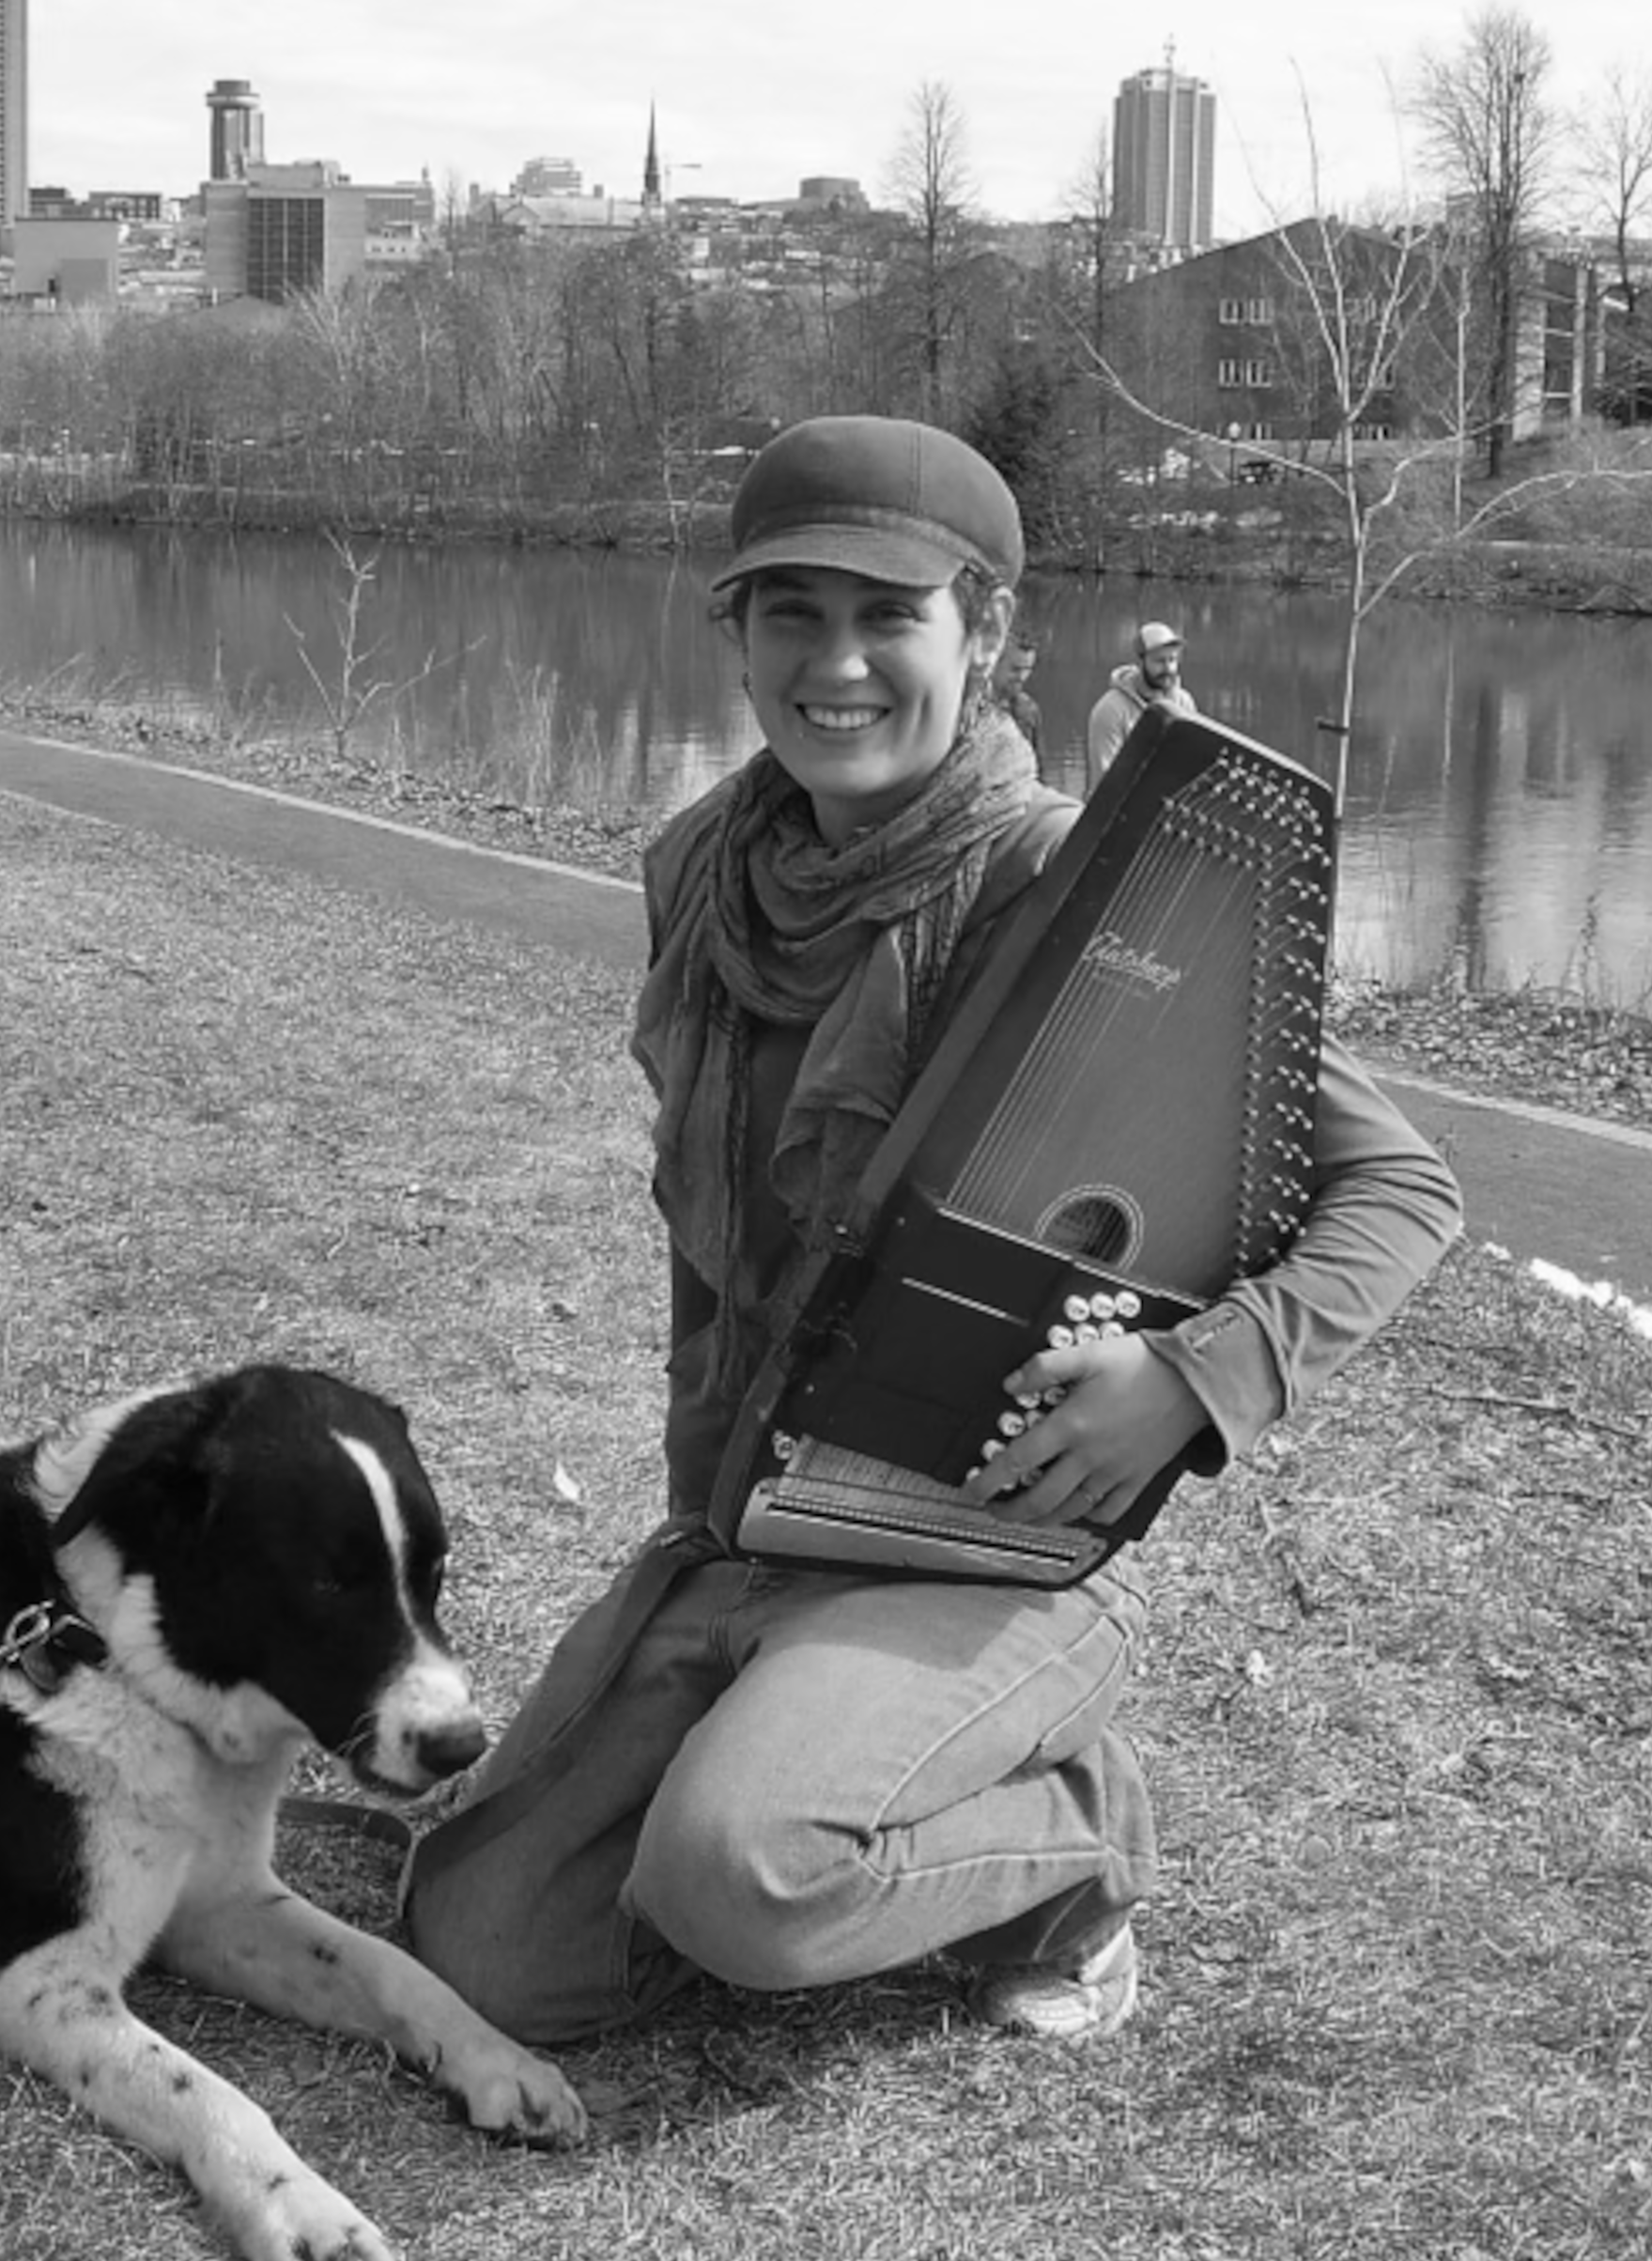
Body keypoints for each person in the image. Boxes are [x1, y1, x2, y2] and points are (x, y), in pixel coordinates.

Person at [402, 414, 1460, 2050]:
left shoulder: (1083, 886)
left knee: (737, 1878)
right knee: (489, 1953)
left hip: (989, 1553)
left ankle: (1077, 1847)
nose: (837, 664)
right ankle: (806, 1762)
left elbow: (1403, 1189)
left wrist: (1196, 1378)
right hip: (759, 1520)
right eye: (791, 612)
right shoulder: (709, 878)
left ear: (990, 636)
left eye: (890, 615)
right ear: (736, 636)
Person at [1087, 619, 1196, 783]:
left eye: (1172, 660)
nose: (1168, 669)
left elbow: (1191, 761)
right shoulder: (1110, 710)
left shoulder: (1184, 703)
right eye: (1159, 661)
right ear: (1140, 661)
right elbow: (1105, 783)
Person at [993, 633, 1045, 773]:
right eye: (1015, 669)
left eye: (1027, 669)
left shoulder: (1029, 710)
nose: (1022, 677)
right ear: (994, 663)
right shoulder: (967, 709)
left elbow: (1039, 768)